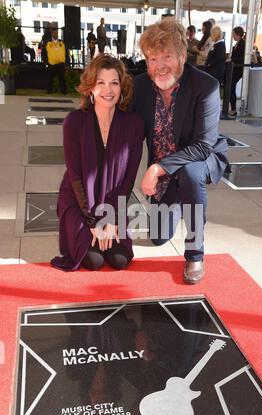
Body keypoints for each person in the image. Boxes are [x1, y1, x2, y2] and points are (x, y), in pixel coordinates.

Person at [133, 18, 229, 284]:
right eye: (153, 58)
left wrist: (156, 168)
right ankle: (175, 199)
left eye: (167, 56)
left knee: (190, 172)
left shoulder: (205, 86)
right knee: (158, 237)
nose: (160, 65)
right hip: (165, 171)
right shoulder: (141, 87)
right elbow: (127, 136)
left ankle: (195, 253)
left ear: (183, 56)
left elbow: (203, 145)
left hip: (201, 158)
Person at [51, 54, 144, 272]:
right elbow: (75, 176)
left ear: (122, 88)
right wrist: (93, 222)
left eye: (114, 83)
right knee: (94, 261)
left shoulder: (134, 125)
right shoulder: (73, 122)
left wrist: (113, 219)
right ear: (91, 87)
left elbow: (128, 180)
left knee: (120, 260)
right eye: (100, 83)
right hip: (79, 201)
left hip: (112, 203)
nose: (108, 90)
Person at [44, 27, 67, 94]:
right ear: (52, 34)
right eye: (55, 33)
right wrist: (46, 61)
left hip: (61, 63)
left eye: (57, 33)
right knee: (50, 78)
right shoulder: (48, 43)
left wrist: (66, 61)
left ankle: (64, 91)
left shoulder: (61, 43)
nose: (56, 34)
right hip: (51, 63)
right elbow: (44, 52)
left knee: (62, 78)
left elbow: (65, 52)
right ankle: (49, 91)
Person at [229, 26, 245, 116]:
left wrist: (232, 59)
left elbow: (242, 58)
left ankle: (234, 109)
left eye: (234, 34)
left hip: (238, 69)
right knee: (231, 87)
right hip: (234, 69)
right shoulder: (236, 44)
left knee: (231, 86)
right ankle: (233, 108)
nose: (233, 36)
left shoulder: (242, 44)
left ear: (238, 35)